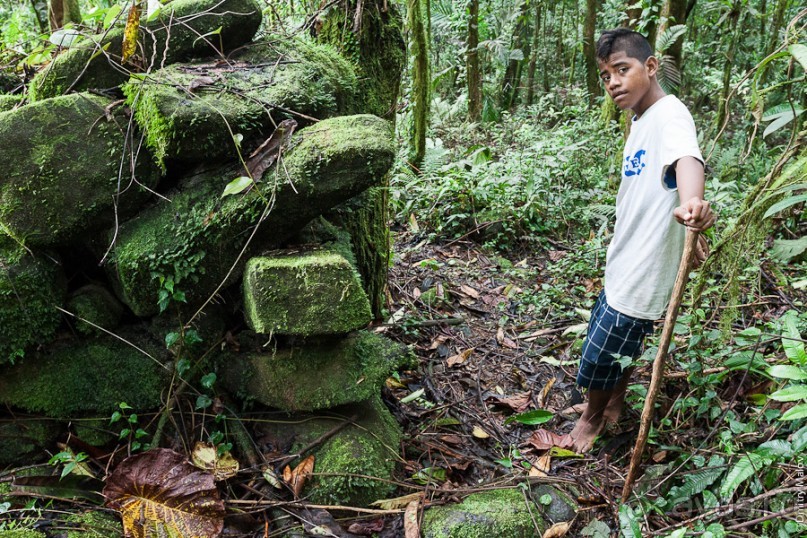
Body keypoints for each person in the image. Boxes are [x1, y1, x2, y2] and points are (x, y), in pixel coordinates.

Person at [562, 28, 716, 453]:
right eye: (605, 75)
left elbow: (687, 159)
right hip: (629, 254)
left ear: (650, 66)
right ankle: (613, 405)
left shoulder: (671, 114)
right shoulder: (641, 119)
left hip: (644, 265)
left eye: (622, 69)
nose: (612, 82)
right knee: (624, 344)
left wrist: (692, 205)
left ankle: (591, 419)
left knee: (601, 352)